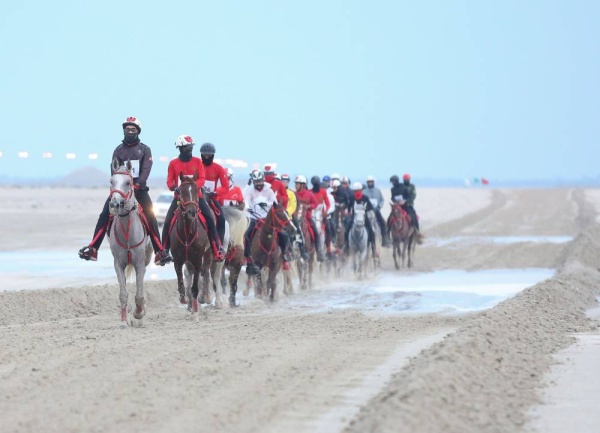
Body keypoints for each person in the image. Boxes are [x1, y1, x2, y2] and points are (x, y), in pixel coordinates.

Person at [78, 117, 169, 265]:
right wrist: (118, 187)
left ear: (138, 131)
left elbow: (146, 169)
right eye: (127, 130)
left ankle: (159, 252)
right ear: (124, 131)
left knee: (150, 215)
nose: (130, 132)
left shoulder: (145, 150)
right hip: (122, 191)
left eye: (133, 130)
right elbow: (114, 170)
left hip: (139, 191)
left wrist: (139, 183)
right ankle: (93, 248)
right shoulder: (118, 150)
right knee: (104, 214)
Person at [160, 135, 225, 262]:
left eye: (191, 147)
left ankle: (217, 248)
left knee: (210, 219)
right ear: (180, 148)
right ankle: (164, 251)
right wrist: (174, 187)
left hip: (197, 197)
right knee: (168, 221)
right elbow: (169, 180)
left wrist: (194, 187)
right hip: (179, 198)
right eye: (186, 148)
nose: (189, 150)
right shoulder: (173, 163)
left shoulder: (197, 162)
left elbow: (201, 178)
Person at [242, 170, 291, 274]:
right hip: (254, 217)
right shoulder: (250, 191)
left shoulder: (269, 190)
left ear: (263, 180)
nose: (258, 184)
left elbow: (275, 203)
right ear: (254, 182)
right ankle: (248, 259)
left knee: (283, 234)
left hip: (267, 217)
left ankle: (284, 256)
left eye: (260, 181)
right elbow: (246, 201)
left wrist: (267, 204)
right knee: (246, 235)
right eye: (256, 182)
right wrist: (248, 208)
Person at [199, 142, 228, 249]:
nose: (206, 157)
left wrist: (215, 193)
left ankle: (219, 244)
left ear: (213, 155)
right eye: (204, 155)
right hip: (197, 197)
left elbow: (225, 187)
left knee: (221, 219)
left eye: (209, 155)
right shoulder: (196, 165)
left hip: (212, 199)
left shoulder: (219, 168)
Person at [294, 175, 324, 261]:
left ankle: (319, 253)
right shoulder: (294, 194)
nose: (295, 185)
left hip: (307, 218)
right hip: (295, 218)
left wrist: (309, 206)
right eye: (295, 184)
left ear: (302, 185)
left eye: (297, 184)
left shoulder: (309, 194)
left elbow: (316, 204)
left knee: (315, 233)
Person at [344, 182, 378, 257]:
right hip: (354, 218)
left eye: (358, 190)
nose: (357, 192)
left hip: (364, 218)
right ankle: (346, 247)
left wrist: (365, 209)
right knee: (347, 231)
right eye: (355, 191)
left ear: (361, 190)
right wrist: (348, 212)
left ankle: (373, 248)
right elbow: (349, 207)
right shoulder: (351, 198)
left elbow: (371, 207)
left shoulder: (365, 198)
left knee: (371, 231)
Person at [390, 174, 423, 243]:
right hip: (397, 206)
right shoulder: (393, 189)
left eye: (407, 179)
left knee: (413, 216)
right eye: (405, 179)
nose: (406, 180)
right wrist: (395, 201)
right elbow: (392, 197)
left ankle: (417, 231)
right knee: (391, 217)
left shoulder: (408, 187)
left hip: (407, 205)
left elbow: (411, 196)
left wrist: (405, 201)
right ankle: (388, 234)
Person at [363, 175, 391, 247]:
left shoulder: (378, 191)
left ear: (373, 182)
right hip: (367, 211)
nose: (370, 183)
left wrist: (379, 206)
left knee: (383, 223)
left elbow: (382, 200)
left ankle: (385, 239)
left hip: (376, 211)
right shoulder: (364, 192)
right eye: (369, 182)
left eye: (371, 182)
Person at [310, 175, 332, 259]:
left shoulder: (323, 192)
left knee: (328, 227)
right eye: (314, 184)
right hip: (311, 213)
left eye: (317, 183)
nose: (315, 185)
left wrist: (326, 211)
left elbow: (328, 203)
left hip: (321, 213)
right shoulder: (310, 192)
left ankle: (328, 247)